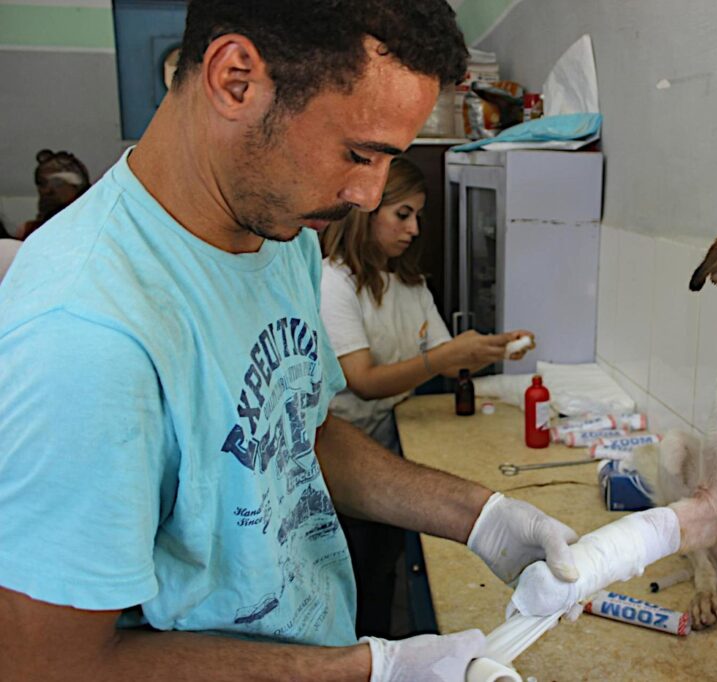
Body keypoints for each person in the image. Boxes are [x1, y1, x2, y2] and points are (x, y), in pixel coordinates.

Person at [0, 2, 581, 681]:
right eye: (359, 153)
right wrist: (367, 668)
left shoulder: (281, 237)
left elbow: (295, 433)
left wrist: (480, 515)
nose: (366, 195)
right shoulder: (86, 335)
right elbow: (50, 665)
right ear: (236, 80)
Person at [319, 157, 533, 637]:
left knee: (381, 566)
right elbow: (364, 379)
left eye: (418, 216)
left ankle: (379, 639)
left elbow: (444, 355)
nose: (414, 229)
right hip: (339, 459)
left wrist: (490, 348)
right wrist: (445, 358)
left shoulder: (407, 283)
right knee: (354, 579)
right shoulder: (333, 282)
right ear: (367, 212)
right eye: (403, 214)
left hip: (390, 446)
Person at [21, 148, 91, 239]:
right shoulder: (32, 231)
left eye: (57, 183)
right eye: (42, 184)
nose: (46, 191)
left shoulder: (93, 224)